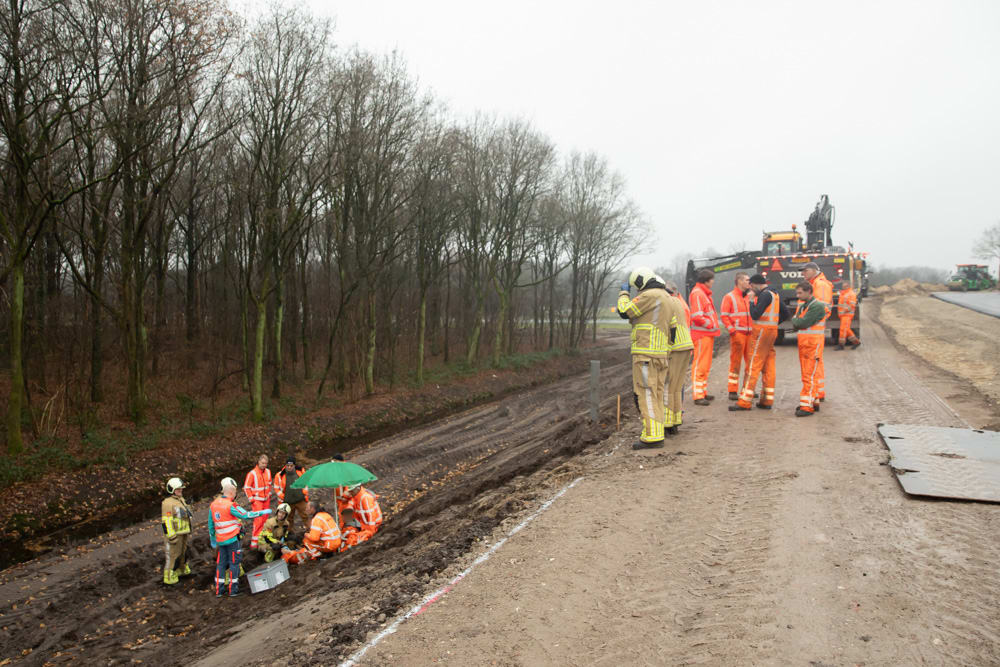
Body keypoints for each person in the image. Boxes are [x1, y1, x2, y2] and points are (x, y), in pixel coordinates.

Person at [616, 267, 674, 449]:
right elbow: (672, 329)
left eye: (637, 287)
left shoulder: (649, 296)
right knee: (656, 394)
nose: (638, 291)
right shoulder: (668, 297)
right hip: (660, 353)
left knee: (646, 393)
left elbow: (625, 311)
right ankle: (657, 430)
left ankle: (653, 436)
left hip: (646, 351)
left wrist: (624, 293)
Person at [730, 274, 788, 412]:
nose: (751, 289)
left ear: (755, 284)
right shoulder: (775, 294)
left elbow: (755, 314)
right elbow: (785, 314)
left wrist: (750, 301)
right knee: (768, 365)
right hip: (771, 332)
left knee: (753, 365)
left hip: (761, 333)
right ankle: (767, 399)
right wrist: (773, 324)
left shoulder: (764, 295)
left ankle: (745, 401)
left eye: (751, 286)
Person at [209, 477, 271, 597]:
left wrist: (213, 539)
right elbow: (246, 515)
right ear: (231, 492)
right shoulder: (231, 505)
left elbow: (211, 524)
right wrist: (262, 512)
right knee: (234, 564)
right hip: (232, 540)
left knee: (221, 564)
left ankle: (219, 590)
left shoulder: (213, 505)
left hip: (221, 541)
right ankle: (233, 590)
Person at [660, 280, 695, 435]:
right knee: (676, 387)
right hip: (686, 345)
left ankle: (667, 424)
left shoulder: (667, 302)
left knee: (668, 386)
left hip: (676, 347)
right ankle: (675, 421)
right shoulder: (680, 302)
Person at [791, 282, 827, 416]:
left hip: (812, 345)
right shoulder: (805, 306)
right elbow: (796, 323)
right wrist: (797, 321)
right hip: (806, 345)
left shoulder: (816, 306)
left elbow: (801, 322)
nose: (797, 295)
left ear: (809, 292)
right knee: (810, 375)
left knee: (809, 376)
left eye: (800, 293)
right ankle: (813, 401)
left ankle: (807, 407)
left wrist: (796, 321)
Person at [801, 262, 833, 401]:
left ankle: (816, 393)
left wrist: (807, 321)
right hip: (812, 330)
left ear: (814, 270)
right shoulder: (815, 284)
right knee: (816, 362)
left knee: (813, 363)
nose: (803, 273)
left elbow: (821, 308)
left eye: (805, 271)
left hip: (813, 331)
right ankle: (818, 392)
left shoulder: (820, 285)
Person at [689, 269, 720, 405]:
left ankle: (702, 392)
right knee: (700, 364)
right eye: (712, 279)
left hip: (706, 334)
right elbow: (696, 316)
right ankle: (698, 395)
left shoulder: (703, 293)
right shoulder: (698, 294)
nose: (713, 282)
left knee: (705, 365)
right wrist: (710, 325)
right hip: (701, 335)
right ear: (706, 280)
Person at [720, 272, 752, 400]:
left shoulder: (749, 297)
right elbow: (724, 315)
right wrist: (732, 330)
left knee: (751, 363)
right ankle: (732, 390)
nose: (749, 282)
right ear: (739, 281)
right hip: (738, 334)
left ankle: (747, 389)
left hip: (750, 334)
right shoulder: (729, 297)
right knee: (736, 363)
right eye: (747, 280)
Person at [161, 477, 193, 585]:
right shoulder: (167, 503)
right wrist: (171, 536)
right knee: (173, 555)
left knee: (183, 553)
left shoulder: (181, 500)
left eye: (181, 489)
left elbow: (185, 515)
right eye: (178, 489)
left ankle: (181, 569)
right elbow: (167, 521)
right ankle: (169, 576)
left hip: (183, 532)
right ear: (172, 490)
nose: (181, 491)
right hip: (176, 534)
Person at [336, 484, 384, 551]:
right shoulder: (355, 496)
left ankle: (344, 551)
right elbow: (350, 506)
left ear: (357, 488)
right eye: (350, 491)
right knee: (347, 533)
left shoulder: (365, 498)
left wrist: (369, 533)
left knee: (353, 540)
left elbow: (371, 518)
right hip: (361, 524)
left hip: (370, 527)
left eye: (352, 491)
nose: (351, 493)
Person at [243, 454, 272, 549]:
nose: (264, 465)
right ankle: (254, 543)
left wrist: (269, 494)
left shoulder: (268, 472)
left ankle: (262, 538)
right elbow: (247, 488)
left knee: (265, 520)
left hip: (266, 500)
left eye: (265, 463)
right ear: (258, 462)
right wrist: (252, 500)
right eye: (262, 463)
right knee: (258, 521)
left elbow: (269, 484)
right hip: (257, 501)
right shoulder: (252, 474)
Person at [273, 455, 310, 529]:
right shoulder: (279, 475)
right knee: (289, 519)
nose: (289, 467)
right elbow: (276, 488)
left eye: (291, 465)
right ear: (285, 465)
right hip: (288, 502)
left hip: (301, 500)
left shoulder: (300, 472)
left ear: (294, 465)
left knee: (305, 516)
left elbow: (307, 483)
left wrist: (304, 492)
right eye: (288, 465)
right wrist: (283, 497)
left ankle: (310, 531)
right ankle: (289, 534)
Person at [836, 281, 861, 349]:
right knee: (846, 329)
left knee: (843, 329)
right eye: (843, 286)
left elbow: (852, 305)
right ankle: (856, 342)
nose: (843, 287)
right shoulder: (843, 293)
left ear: (848, 286)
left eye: (844, 286)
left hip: (847, 315)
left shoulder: (851, 294)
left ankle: (841, 345)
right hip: (843, 315)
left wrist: (844, 310)